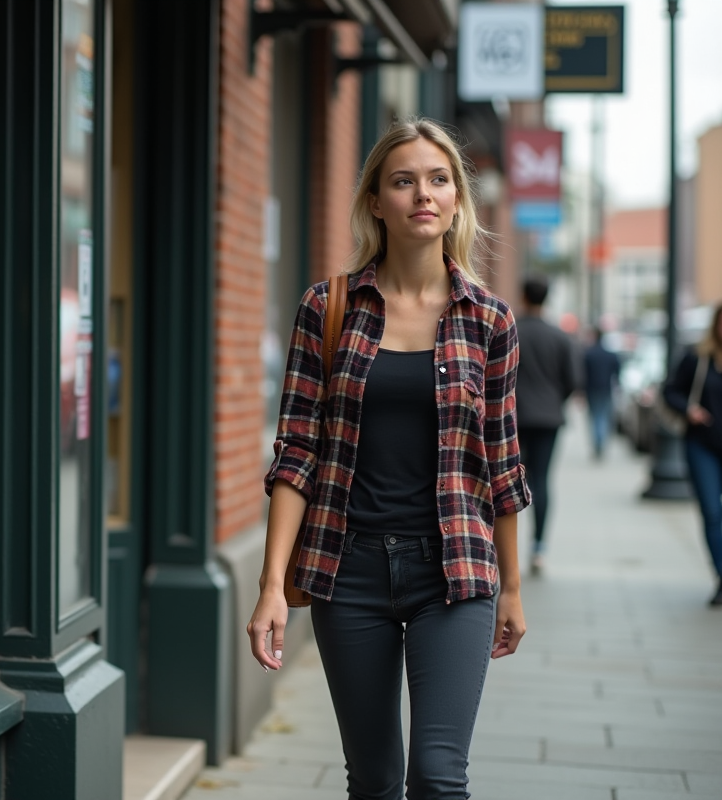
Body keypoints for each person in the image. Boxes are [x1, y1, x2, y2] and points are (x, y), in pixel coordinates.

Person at [246, 118, 531, 800]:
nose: (422, 195)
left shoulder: (489, 321)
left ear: (457, 199)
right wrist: (269, 587)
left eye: (438, 180)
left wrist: (512, 586)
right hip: (350, 570)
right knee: (373, 781)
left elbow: (503, 463)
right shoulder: (328, 307)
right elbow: (296, 454)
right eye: (403, 181)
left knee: (437, 776)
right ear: (377, 201)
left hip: (454, 570)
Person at [513, 277, 579, 575]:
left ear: (523, 296)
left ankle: (505, 547)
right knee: (541, 480)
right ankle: (538, 547)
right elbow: (573, 382)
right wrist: (554, 402)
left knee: (507, 482)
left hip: (512, 418)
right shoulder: (560, 336)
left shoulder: (511, 330)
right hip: (549, 418)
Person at [663, 302, 722, 607]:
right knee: (712, 512)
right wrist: (689, 409)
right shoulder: (697, 358)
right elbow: (670, 390)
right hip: (702, 445)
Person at [582, 325, 622, 459]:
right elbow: (617, 371)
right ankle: (601, 442)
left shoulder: (588, 353)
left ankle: (598, 443)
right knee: (603, 416)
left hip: (591, 389)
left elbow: (582, 374)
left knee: (595, 417)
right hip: (606, 389)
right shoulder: (610, 354)